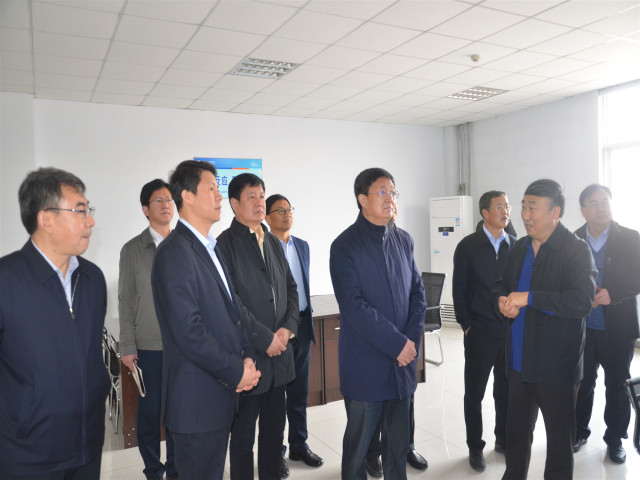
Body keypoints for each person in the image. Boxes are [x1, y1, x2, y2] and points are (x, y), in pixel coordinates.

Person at [151, 160, 260, 480]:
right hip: (196, 402)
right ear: (187, 196)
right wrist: (236, 371)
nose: (218, 195)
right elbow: (189, 332)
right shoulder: (174, 252)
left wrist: (247, 356)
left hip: (218, 394)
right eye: (211, 188)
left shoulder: (210, 247)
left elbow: (233, 311)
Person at [0, 167, 109, 479]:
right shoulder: (7, 280)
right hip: (29, 455)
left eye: (88, 210)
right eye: (80, 210)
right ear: (46, 219)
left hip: (88, 446)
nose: (90, 221)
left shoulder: (92, 279)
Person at [494, 179, 596, 480]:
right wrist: (501, 301)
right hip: (518, 364)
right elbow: (501, 285)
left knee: (559, 445)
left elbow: (582, 301)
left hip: (557, 367)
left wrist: (530, 298)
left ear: (555, 212)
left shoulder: (576, 250)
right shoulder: (520, 248)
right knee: (515, 438)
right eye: (523, 206)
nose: (525, 215)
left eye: (533, 208)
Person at [329, 167, 426, 480]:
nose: (389, 198)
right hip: (366, 365)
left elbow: (418, 295)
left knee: (397, 450)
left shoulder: (404, 240)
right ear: (362, 199)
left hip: (402, 366)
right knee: (358, 451)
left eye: (392, 192)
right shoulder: (345, 246)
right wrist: (398, 344)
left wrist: (409, 344)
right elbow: (354, 306)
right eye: (381, 192)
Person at [217, 174, 300, 480]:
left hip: (279, 359)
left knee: (274, 436)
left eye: (262, 196)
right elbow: (230, 302)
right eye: (251, 196)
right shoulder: (224, 245)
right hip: (248, 360)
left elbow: (291, 289)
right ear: (234, 204)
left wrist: (287, 329)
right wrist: (265, 338)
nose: (259, 202)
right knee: (242, 440)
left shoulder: (274, 242)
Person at [573, 184, 640, 464]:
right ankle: (578, 431)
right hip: (582, 328)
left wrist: (614, 293)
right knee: (582, 383)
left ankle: (615, 439)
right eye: (594, 203)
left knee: (617, 385)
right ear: (583, 210)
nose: (601, 208)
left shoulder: (631, 238)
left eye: (605, 202)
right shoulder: (572, 240)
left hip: (618, 328)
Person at [118, 179, 177, 480]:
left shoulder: (184, 244)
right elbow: (126, 300)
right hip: (149, 347)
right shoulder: (132, 250)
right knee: (150, 413)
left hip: (183, 346)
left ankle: (177, 469)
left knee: (179, 412)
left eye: (169, 199)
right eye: (158, 200)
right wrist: (127, 346)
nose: (166, 204)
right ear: (145, 209)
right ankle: (153, 469)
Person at [453, 190, 516, 472]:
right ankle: (475, 447)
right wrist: (466, 324)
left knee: (505, 391)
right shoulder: (468, 246)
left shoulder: (515, 245)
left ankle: (502, 439)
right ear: (485, 212)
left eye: (507, 206)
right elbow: (459, 290)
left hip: (509, 332)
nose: (506, 211)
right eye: (499, 207)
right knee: (474, 394)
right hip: (479, 331)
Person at [265, 194, 324, 477]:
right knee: (277, 398)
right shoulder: (263, 247)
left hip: (301, 325)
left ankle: (299, 445)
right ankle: (276, 454)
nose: (287, 213)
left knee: (299, 393)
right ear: (267, 217)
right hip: (277, 332)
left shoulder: (302, 245)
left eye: (289, 209)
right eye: (280, 210)